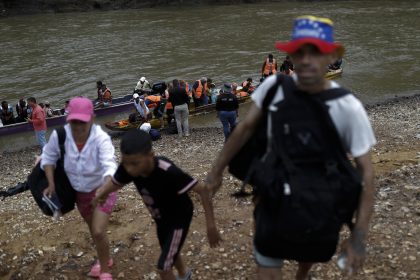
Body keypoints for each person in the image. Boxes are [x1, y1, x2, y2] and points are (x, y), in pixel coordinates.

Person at [206, 15, 376, 280]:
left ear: (331, 55)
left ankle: (302, 273)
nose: (306, 60)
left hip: (321, 203)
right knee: (267, 262)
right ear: (291, 56)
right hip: (273, 194)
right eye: (300, 52)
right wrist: (215, 172)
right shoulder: (274, 87)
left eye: (316, 52)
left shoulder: (348, 107)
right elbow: (246, 127)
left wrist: (359, 237)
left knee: (308, 254)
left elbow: (366, 173)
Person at [92, 129, 221, 280]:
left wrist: (211, 226)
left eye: (134, 164)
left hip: (178, 218)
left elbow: (203, 190)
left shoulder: (168, 171)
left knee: (163, 267)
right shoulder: (129, 165)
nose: (129, 169)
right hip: (160, 218)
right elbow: (115, 182)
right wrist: (102, 193)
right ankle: (184, 274)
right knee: (169, 250)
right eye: (125, 163)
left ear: (151, 156)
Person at [42, 97, 118, 280]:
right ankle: (105, 258)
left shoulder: (101, 138)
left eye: (82, 121)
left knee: (98, 230)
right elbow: (48, 158)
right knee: (94, 230)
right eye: (74, 121)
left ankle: (105, 271)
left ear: (91, 117)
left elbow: (110, 165)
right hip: (79, 194)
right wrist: (51, 183)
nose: (78, 127)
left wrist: (105, 189)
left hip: (103, 190)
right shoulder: (60, 135)